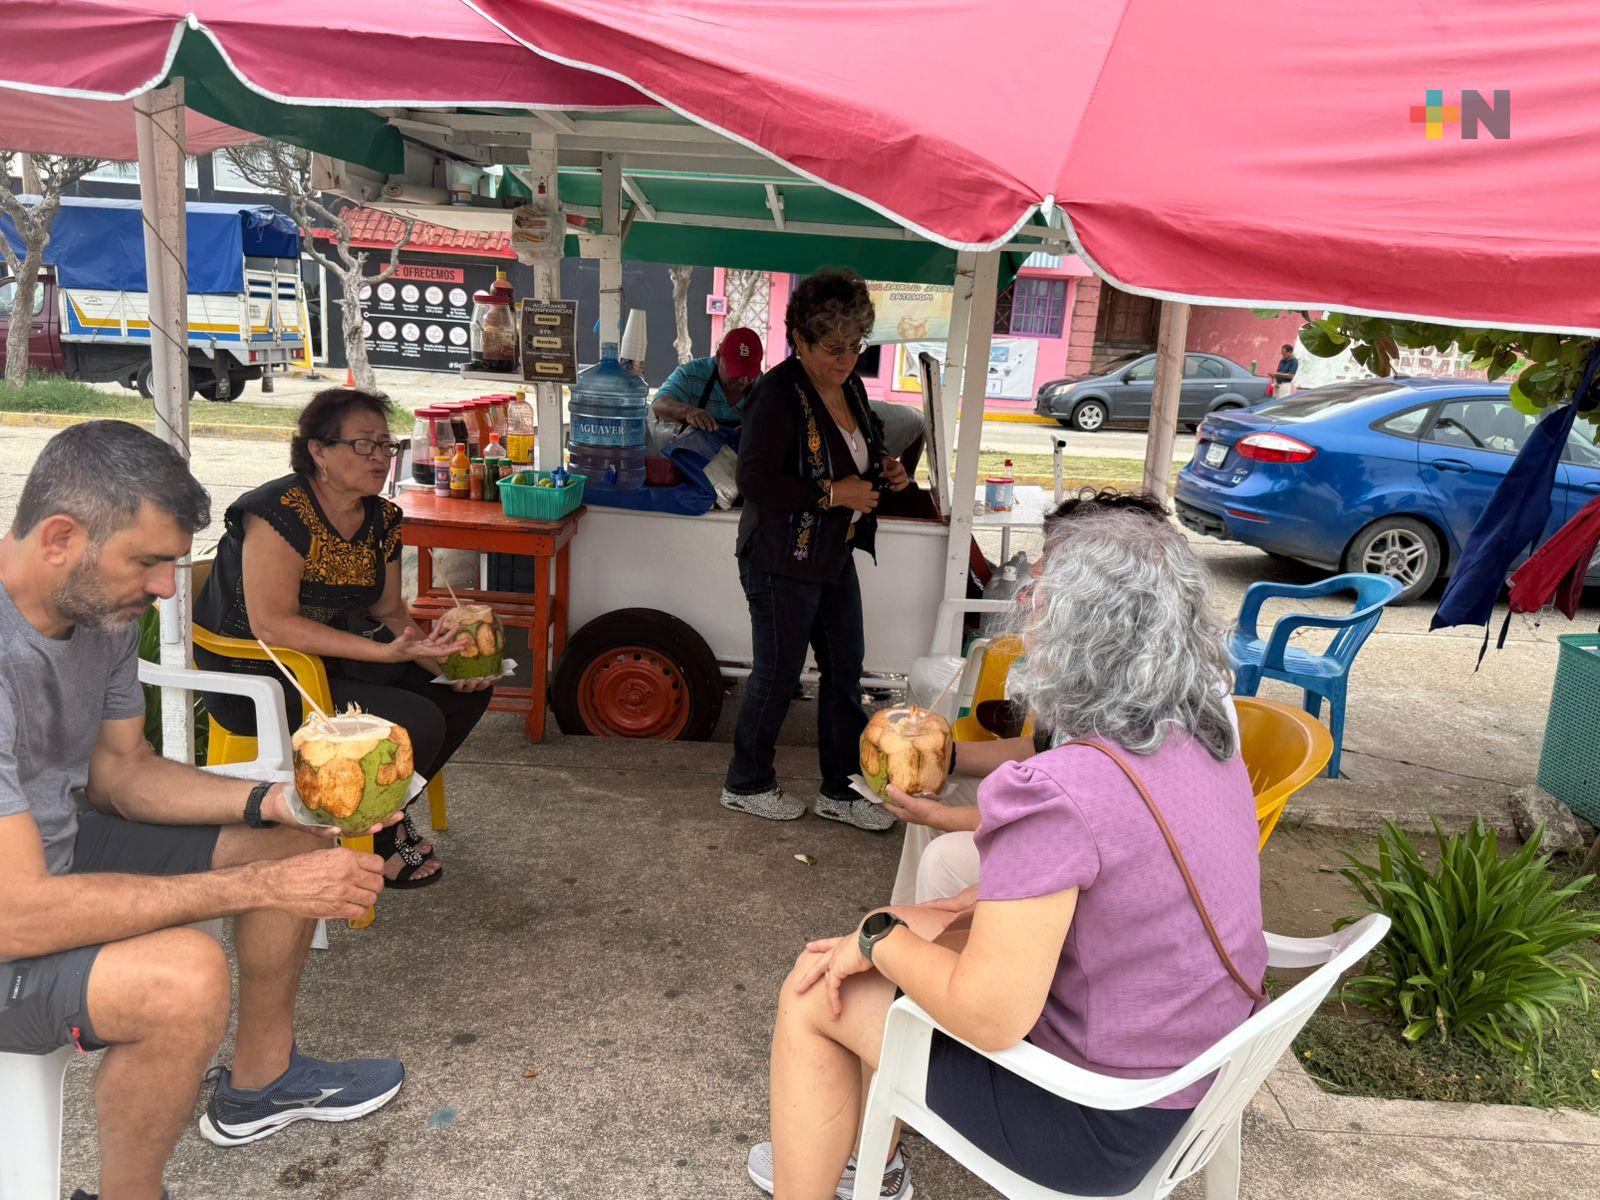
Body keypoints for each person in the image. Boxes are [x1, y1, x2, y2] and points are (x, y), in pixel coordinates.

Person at [747, 502, 1266, 1200]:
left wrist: (877, 938)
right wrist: (932, 919)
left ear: (1075, 632)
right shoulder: (1204, 738)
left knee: (814, 992)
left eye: (1038, 604)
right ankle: (861, 1155)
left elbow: (991, 1015)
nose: (1026, 618)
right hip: (1197, 1083)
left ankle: (833, 1175)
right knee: (922, 935)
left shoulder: (1058, 789)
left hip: (1099, 1125)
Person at [0, 421, 407, 1200]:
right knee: (183, 980)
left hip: (52, 849)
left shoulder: (99, 611)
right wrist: (252, 891)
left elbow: (124, 773)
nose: (165, 587)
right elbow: (16, 916)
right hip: (12, 907)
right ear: (59, 537)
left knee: (295, 846)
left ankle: (261, 1081)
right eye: (150, 562)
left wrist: (279, 803)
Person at [194, 388, 494, 889]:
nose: (379, 457)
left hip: (329, 660)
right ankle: (376, 835)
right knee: (414, 721)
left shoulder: (382, 518)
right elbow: (273, 624)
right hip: (258, 676)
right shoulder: (278, 511)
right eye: (363, 444)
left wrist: (439, 662)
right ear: (318, 450)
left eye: (386, 445)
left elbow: (388, 611)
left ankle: (373, 817)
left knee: (463, 691)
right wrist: (382, 651)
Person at [886, 488, 1235, 905]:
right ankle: (907, 920)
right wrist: (945, 757)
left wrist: (943, 819)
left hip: (1126, 874)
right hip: (1095, 833)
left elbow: (1062, 814)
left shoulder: (1143, 705)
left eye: (1051, 561)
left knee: (946, 857)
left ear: (1105, 590)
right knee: (936, 792)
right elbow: (1041, 752)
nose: (1033, 573)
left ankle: (923, 942)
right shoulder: (1123, 663)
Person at [722, 270, 915, 832]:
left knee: (844, 673)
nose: (847, 358)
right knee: (778, 676)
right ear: (800, 341)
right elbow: (755, 480)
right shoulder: (775, 394)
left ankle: (841, 788)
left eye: (856, 345)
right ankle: (746, 781)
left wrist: (886, 469)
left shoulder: (849, 386)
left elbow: (866, 443)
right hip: (780, 560)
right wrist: (833, 493)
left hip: (833, 554)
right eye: (833, 347)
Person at [651, 326, 765, 431]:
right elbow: (658, 405)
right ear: (719, 357)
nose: (743, 380)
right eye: (737, 372)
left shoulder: (762, 386)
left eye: (749, 374)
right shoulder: (692, 373)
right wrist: (688, 412)